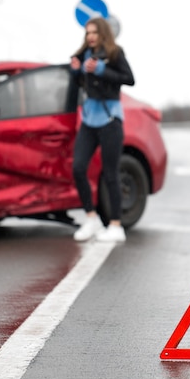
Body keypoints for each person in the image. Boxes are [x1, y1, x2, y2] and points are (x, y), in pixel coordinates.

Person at [69, 17, 135, 242]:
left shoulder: (115, 53)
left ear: (103, 33)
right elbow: (80, 85)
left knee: (110, 173)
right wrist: (77, 71)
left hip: (110, 119)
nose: (90, 37)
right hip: (88, 120)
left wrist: (101, 69)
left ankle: (116, 226)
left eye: (95, 32)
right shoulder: (83, 55)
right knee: (78, 167)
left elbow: (129, 79)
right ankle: (91, 218)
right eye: (88, 33)